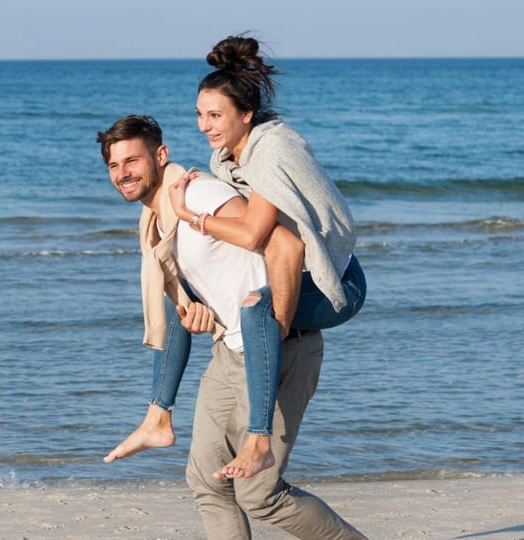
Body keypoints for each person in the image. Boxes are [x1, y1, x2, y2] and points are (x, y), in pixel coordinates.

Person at [106, 35, 367, 482]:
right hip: (296, 269)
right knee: (182, 302)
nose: (204, 126)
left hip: (337, 280)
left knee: (256, 308)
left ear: (246, 114)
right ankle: (158, 416)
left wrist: (192, 215)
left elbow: (257, 234)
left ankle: (259, 440)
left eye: (215, 115)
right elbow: (249, 224)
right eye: (200, 115)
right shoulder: (228, 157)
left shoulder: (271, 150)